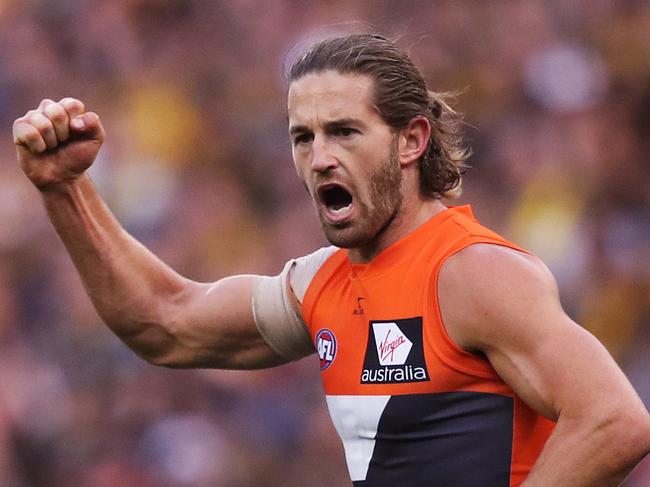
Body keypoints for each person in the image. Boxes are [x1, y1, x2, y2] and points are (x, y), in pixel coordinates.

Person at [12, 33, 650, 486]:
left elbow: (615, 421)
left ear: (412, 140)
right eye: (302, 137)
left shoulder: (472, 271)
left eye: (344, 131)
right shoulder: (320, 283)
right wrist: (65, 188)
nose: (319, 158)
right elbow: (164, 323)